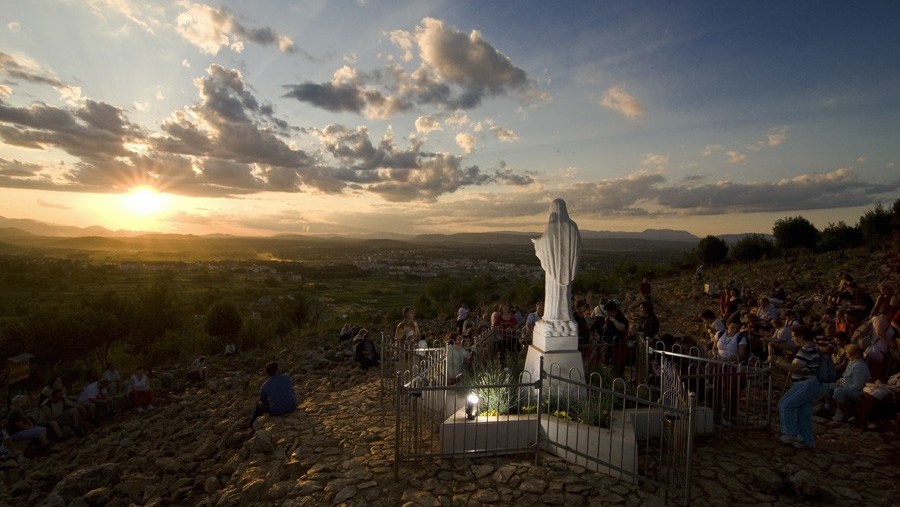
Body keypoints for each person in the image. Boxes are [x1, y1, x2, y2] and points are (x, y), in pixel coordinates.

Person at [532, 199, 581, 322]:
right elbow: (577, 247)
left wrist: (537, 243)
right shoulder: (573, 226)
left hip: (552, 271)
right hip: (566, 269)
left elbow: (544, 245)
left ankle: (553, 317)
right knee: (564, 294)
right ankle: (565, 318)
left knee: (553, 296)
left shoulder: (551, 226)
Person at [778, 326, 824, 449]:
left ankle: (791, 433)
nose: (792, 339)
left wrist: (779, 362)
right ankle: (807, 441)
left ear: (801, 337)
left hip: (805, 384)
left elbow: (795, 368)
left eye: (794, 336)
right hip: (812, 383)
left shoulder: (806, 350)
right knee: (804, 413)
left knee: (785, 404)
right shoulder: (813, 349)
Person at [824, 344, 869, 422]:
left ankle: (840, 412)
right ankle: (829, 408)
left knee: (839, 391)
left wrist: (843, 387)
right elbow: (846, 377)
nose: (846, 355)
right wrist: (840, 382)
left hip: (856, 392)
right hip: (847, 386)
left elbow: (858, 385)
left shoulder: (859, 366)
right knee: (827, 386)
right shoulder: (852, 362)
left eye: (847, 353)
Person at [249, 361, 297, 427]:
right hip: (292, 406)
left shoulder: (265, 385)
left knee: (260, 404)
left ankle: (252, 423)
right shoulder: (287, 377)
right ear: (277, 370)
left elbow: (262, 401)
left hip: (277, 411)